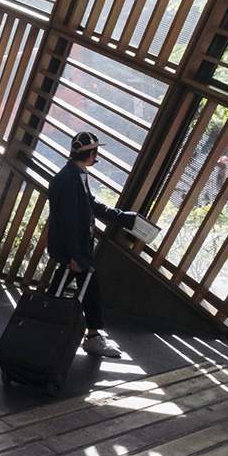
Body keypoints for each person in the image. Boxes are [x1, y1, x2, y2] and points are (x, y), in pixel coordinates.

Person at [46, 130, 137, 358]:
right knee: (88, 281)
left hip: (74, 247)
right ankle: (91, 336)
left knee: (67, 284)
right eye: (96, 153)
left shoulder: (76, 175)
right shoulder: (68, 180)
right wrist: (75, 255)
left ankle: (43, 322)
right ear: (91, 154)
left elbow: (90, 205)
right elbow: (67, 221)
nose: (97, 158)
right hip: (74, 248)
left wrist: (123, 217)